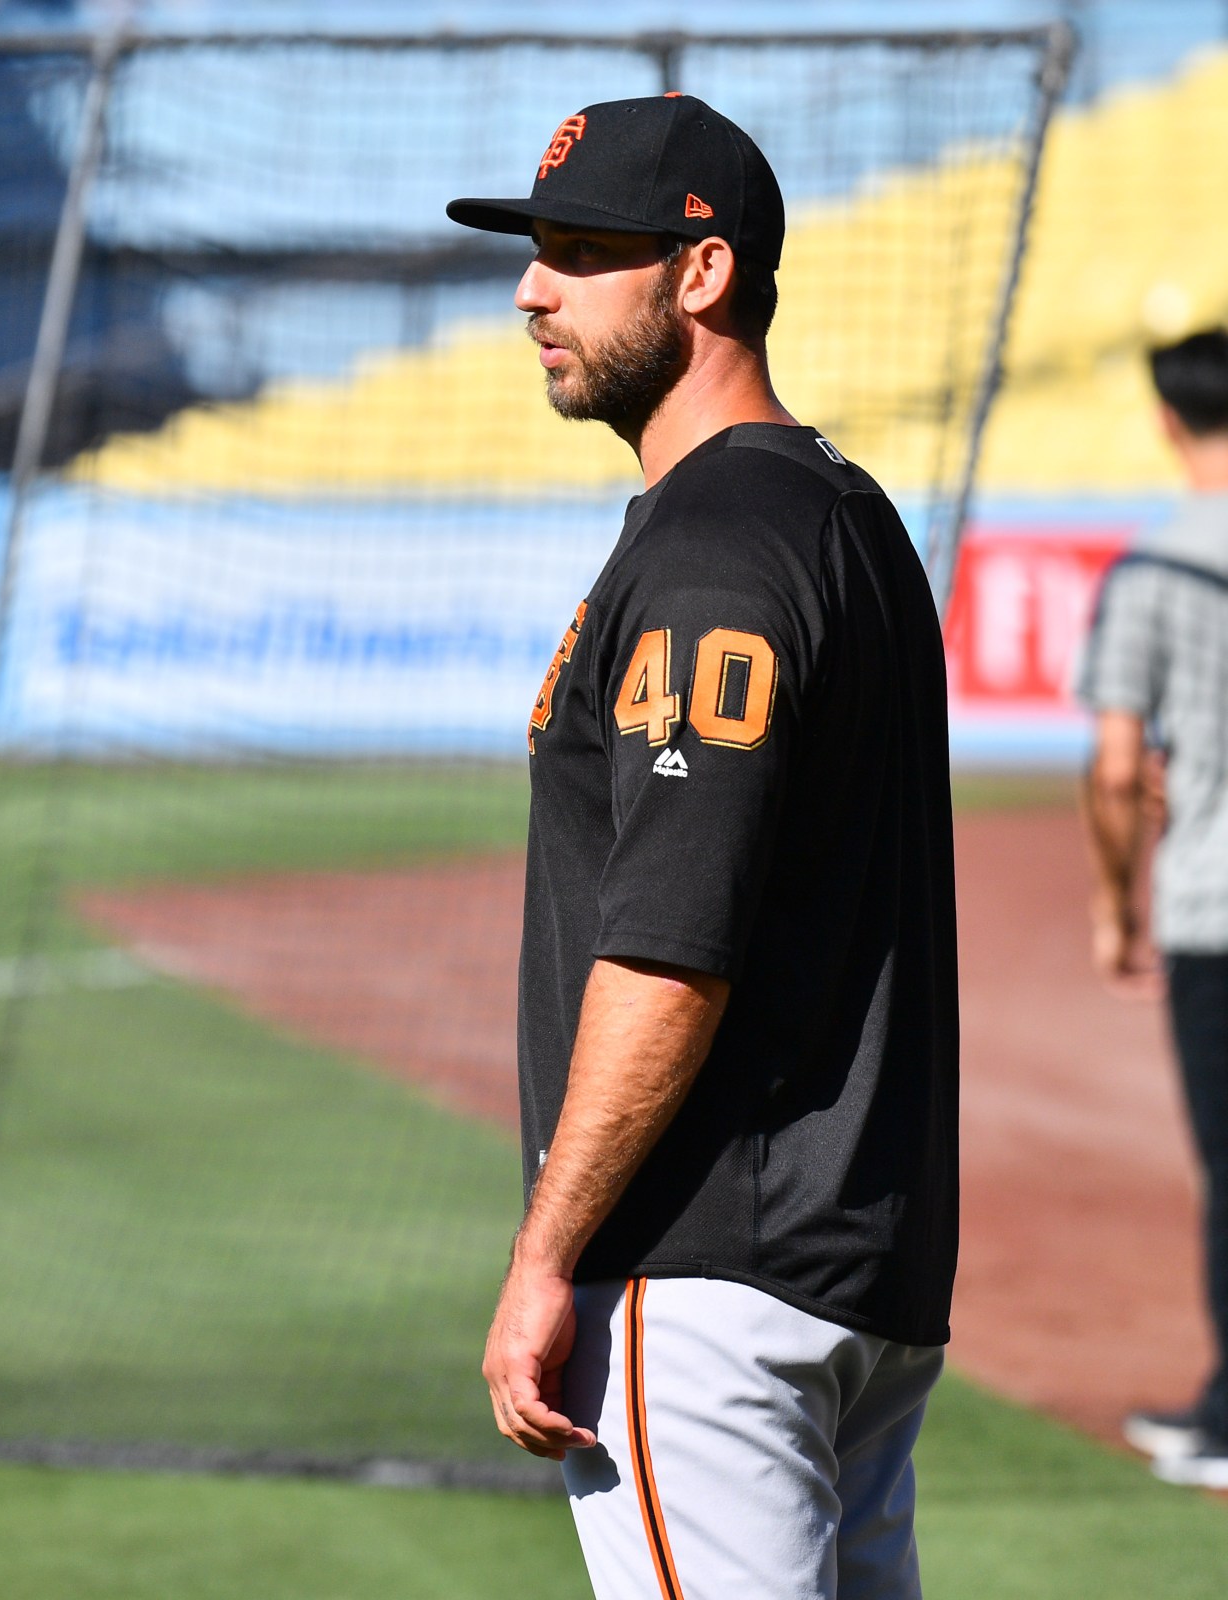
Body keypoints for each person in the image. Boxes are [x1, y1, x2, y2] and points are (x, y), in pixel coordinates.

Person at [449, 96, 958, 1598]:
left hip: (703, 1279)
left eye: (583, 252)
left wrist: (549, 1257)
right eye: (536, 250)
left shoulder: (714, 552)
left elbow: (674, 943)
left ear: (702, 273)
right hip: (856, 1270)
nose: (533, 290)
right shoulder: (840, 519)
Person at [1079, 327, 1228, 1489]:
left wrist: (1115, 905)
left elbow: (1120, 767)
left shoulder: (1155, 568)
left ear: (1168, 421)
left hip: (1210, 910)